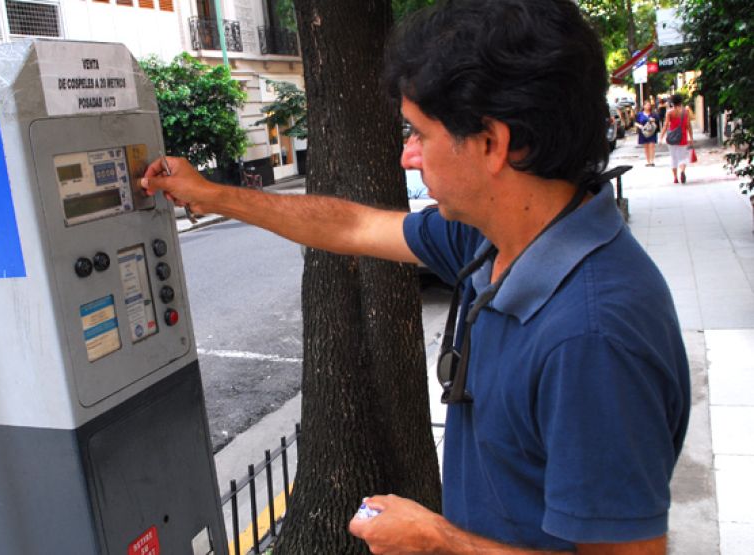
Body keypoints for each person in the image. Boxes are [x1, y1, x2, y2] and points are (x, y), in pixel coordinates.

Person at [142, 0, 690, 553]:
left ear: (492, 143)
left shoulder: (592, 338)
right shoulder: (492, 240)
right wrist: (213, 195)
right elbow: (353, 225)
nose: (407, 157)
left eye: (419, 134)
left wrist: (439, 540)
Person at [660, 94, 695, 184]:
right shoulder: (685, 111)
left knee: (673, 158)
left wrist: (661, 137)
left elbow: (666, 125)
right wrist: (691, 137)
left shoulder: (669, 112)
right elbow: (688, 126)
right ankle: (682, 171)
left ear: (672, 102)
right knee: (682, 157)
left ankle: (675, 178)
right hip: (682, 137)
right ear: (681, 101)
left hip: (671, 137)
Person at [635, 101, 659, 166]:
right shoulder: (640, 114)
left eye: (649, 105)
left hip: (652, 131)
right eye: (647, 105)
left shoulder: (653, 114)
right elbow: (636, 122)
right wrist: (639, 126)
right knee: (646, 147)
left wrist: (653, 120)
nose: (648, 106)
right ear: (644, 106)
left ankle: (652, 161)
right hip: (643, 132)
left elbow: (657, 120)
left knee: (652, 146)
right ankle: (648, 161)